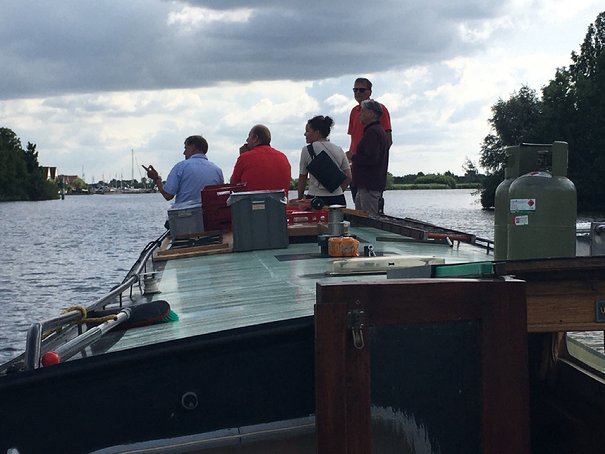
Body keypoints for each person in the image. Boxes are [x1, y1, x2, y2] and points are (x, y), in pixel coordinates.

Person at [347, 77, 392, 209]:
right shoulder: (354, 112)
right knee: (359, 206)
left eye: (361, 90)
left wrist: (378, 164)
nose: (358, 93)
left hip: (370, 171)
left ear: (370, 92)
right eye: (355, 90)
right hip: (357, 168)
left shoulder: (379, 110)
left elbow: (387, 139)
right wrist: (352, 162)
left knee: (370, 209)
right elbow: (353, 139)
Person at [145, 135, 224, 208]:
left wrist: (156, 179)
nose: (184, 153)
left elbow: (168, 195)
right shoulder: (217, 170)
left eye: (185, 148)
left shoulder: (181, 167)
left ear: (193, 147)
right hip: (208, 216)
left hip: (184, 216)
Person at [296, 115, 351, 206]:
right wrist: (339, 190)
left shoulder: (307, 150)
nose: (305, 134)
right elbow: (349, 177)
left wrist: (300, 198)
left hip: (315, 198)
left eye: (307, 131)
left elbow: (303, 177)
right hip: (338, 198)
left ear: (317, 133)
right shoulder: (339, 149)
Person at [351, 99, 389, 216]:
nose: (360, 114)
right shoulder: (376, 131)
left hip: (369, 186)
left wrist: (353, 157)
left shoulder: (372, 132)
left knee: (369, 220)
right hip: (367, 186)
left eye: (363, 111)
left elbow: (371, 159)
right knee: (362, 219)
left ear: (372, 114)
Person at [230, 124, 291, 196]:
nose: (247, 140)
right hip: (278, 206)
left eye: (249, 136)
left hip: (251, 205)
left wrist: (242, 157)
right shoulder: (283, 157)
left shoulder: (245, 158)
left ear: (255, 138)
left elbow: (233, 186)